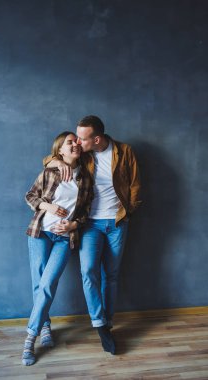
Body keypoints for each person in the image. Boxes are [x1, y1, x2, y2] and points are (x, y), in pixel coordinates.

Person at [45, 116, 141, 355]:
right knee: (88, 271)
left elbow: (136, 186)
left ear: (96, 139)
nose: (77, 142)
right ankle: (99, 324)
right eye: (76, 137)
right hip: (88, 223)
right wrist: (57, 163)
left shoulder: (124, 151)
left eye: (82, 138)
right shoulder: (82, 154)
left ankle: (107, 323)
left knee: (112, 274)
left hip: (117, 222)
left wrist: (128, 211)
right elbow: (49, 158)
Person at [22, 131, 93, 366]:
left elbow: (84, 213)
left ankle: (29, 338)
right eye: (68, 143)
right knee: (38, 284)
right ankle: (43, 328)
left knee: (48, 284)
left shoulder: (86, 177)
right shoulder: (50, 171)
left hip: (64, 240)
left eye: (76, 141)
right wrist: (47, 206)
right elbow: (30, 196)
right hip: (40, 234)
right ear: (60, 150)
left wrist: (74, 223)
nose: (74, 144)